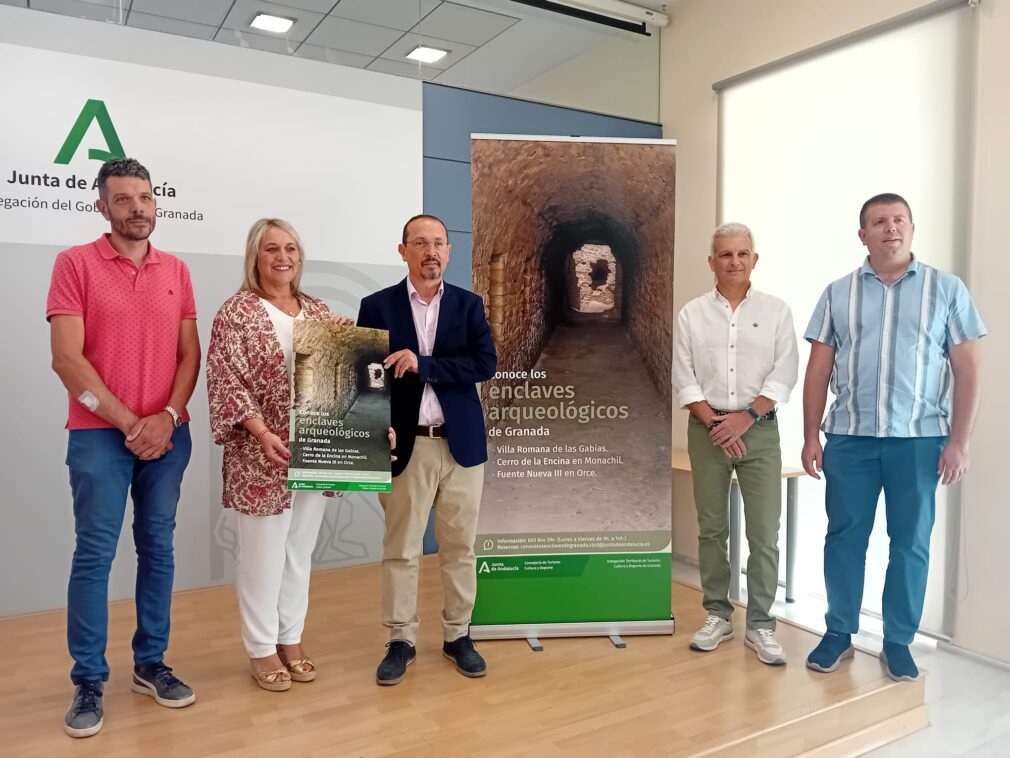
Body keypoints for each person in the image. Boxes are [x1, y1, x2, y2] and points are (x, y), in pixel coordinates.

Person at [802, 193, 985, 682]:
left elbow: (968, 371)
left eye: (898, 220)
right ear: (862, 234)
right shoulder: (837, 293)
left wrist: (960, 442)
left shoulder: (946, 290)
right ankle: (838, 632)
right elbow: (818, 371)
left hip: (920, 442)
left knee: (910, 544)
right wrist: (810, 436)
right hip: (850, 439)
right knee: (844, 539)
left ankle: (898, 640)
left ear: (912, 228)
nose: (890, 228)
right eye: (878, 222)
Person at [47, 158, 200, 738]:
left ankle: (150, 663)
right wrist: (129, 422)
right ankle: (88, 679)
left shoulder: (176, 270)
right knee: (95, 556)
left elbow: (190, 355)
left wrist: (163, 417)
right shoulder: (74, 264)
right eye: (124, 199)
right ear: (102, 206)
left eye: (146, 197)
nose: (138, 207)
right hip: (97, 437)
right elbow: (67, 359)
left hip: (167, 434)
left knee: (157, 549)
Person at [207, 218, 379, 692]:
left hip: (317, 448)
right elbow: (225, 379)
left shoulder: (319, 311)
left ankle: (291, 637)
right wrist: (261, 432)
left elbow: (344, 376)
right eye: (271, 249)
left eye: (291, 249)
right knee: (261, 556)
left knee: (299, 551)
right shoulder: (237, 312)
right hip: (262, 454)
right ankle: (261, 648)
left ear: (300, 258)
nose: (283, 257)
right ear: (255, 257)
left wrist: (369, 414)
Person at [357, 214, 497, 685]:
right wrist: (375, 427)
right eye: (420, 243)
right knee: (401, 548)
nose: (430, 251)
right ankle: (401, 639)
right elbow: (364, 378)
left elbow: (485, 363)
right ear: (403, 252)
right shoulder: (376, 306)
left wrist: (426, 365)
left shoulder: (470, 305)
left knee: (460, 547)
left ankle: (459, 636)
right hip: (403, 445)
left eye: (438, 242)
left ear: (449, 251)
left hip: (460, 448)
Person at [672, 223, 799, 665]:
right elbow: (683, 377)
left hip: (759, 429)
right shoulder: (691, 315)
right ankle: (718, 615)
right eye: (725, 254)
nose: (734, 262)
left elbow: (784, 374)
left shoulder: (777, 312)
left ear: (754, 259)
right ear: (712, 262)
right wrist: (715, 424)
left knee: (764, 533)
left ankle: (761, 625)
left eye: (742, 253)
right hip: (706, 430)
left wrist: (744, 420)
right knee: (712, 529)